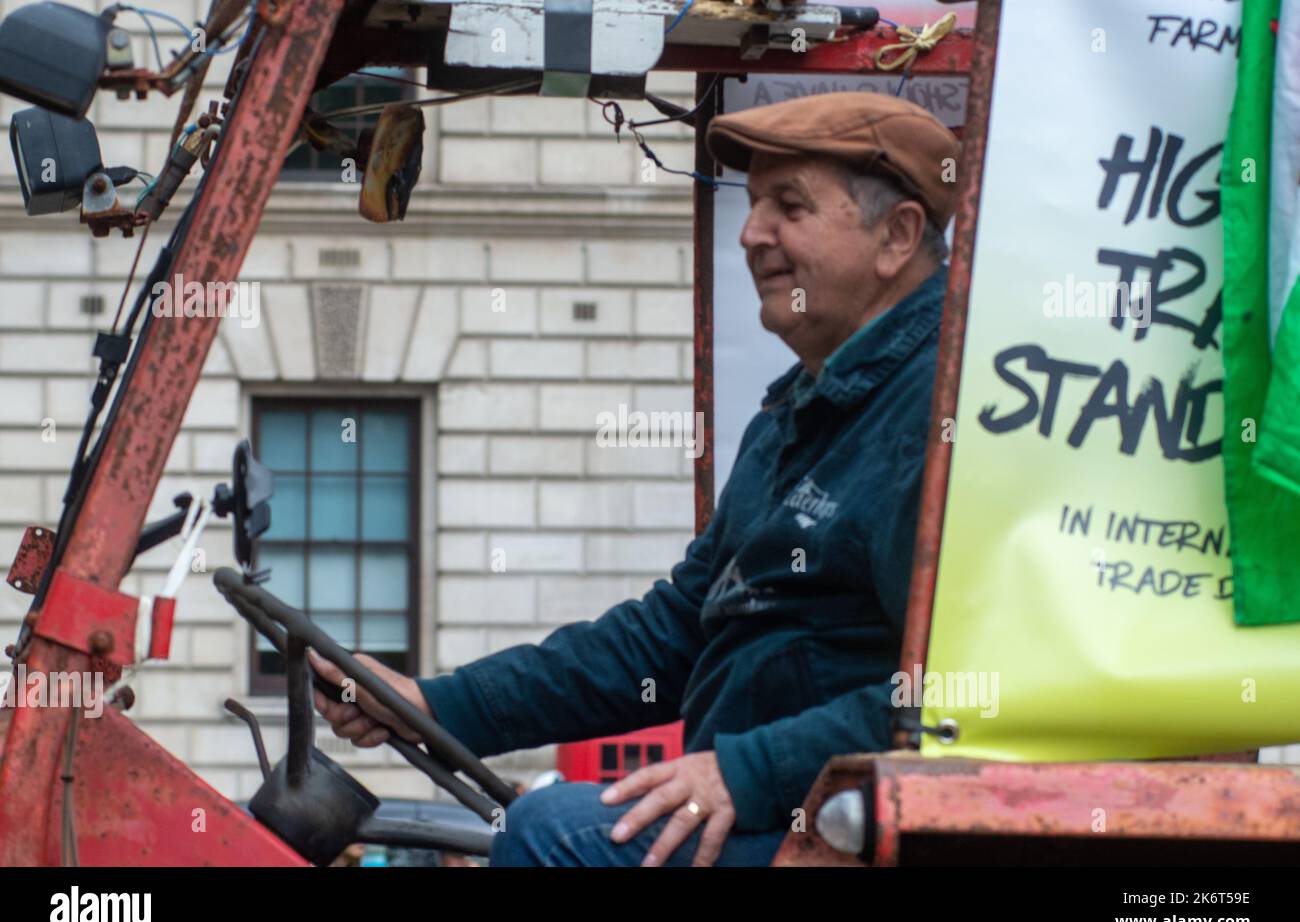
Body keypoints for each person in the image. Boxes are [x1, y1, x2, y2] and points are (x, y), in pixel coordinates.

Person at [310, 91, 959, 867]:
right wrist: (437, 706)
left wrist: (749, 774)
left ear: (898, 236)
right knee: (546, 821)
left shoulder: (942, 415)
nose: (752, 234)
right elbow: (674, 631)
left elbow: (958, 692)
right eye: (752, 206)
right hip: (790, 809)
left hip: (857, 825)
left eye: (789, 206)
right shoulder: (798, 413)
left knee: (553, 837)